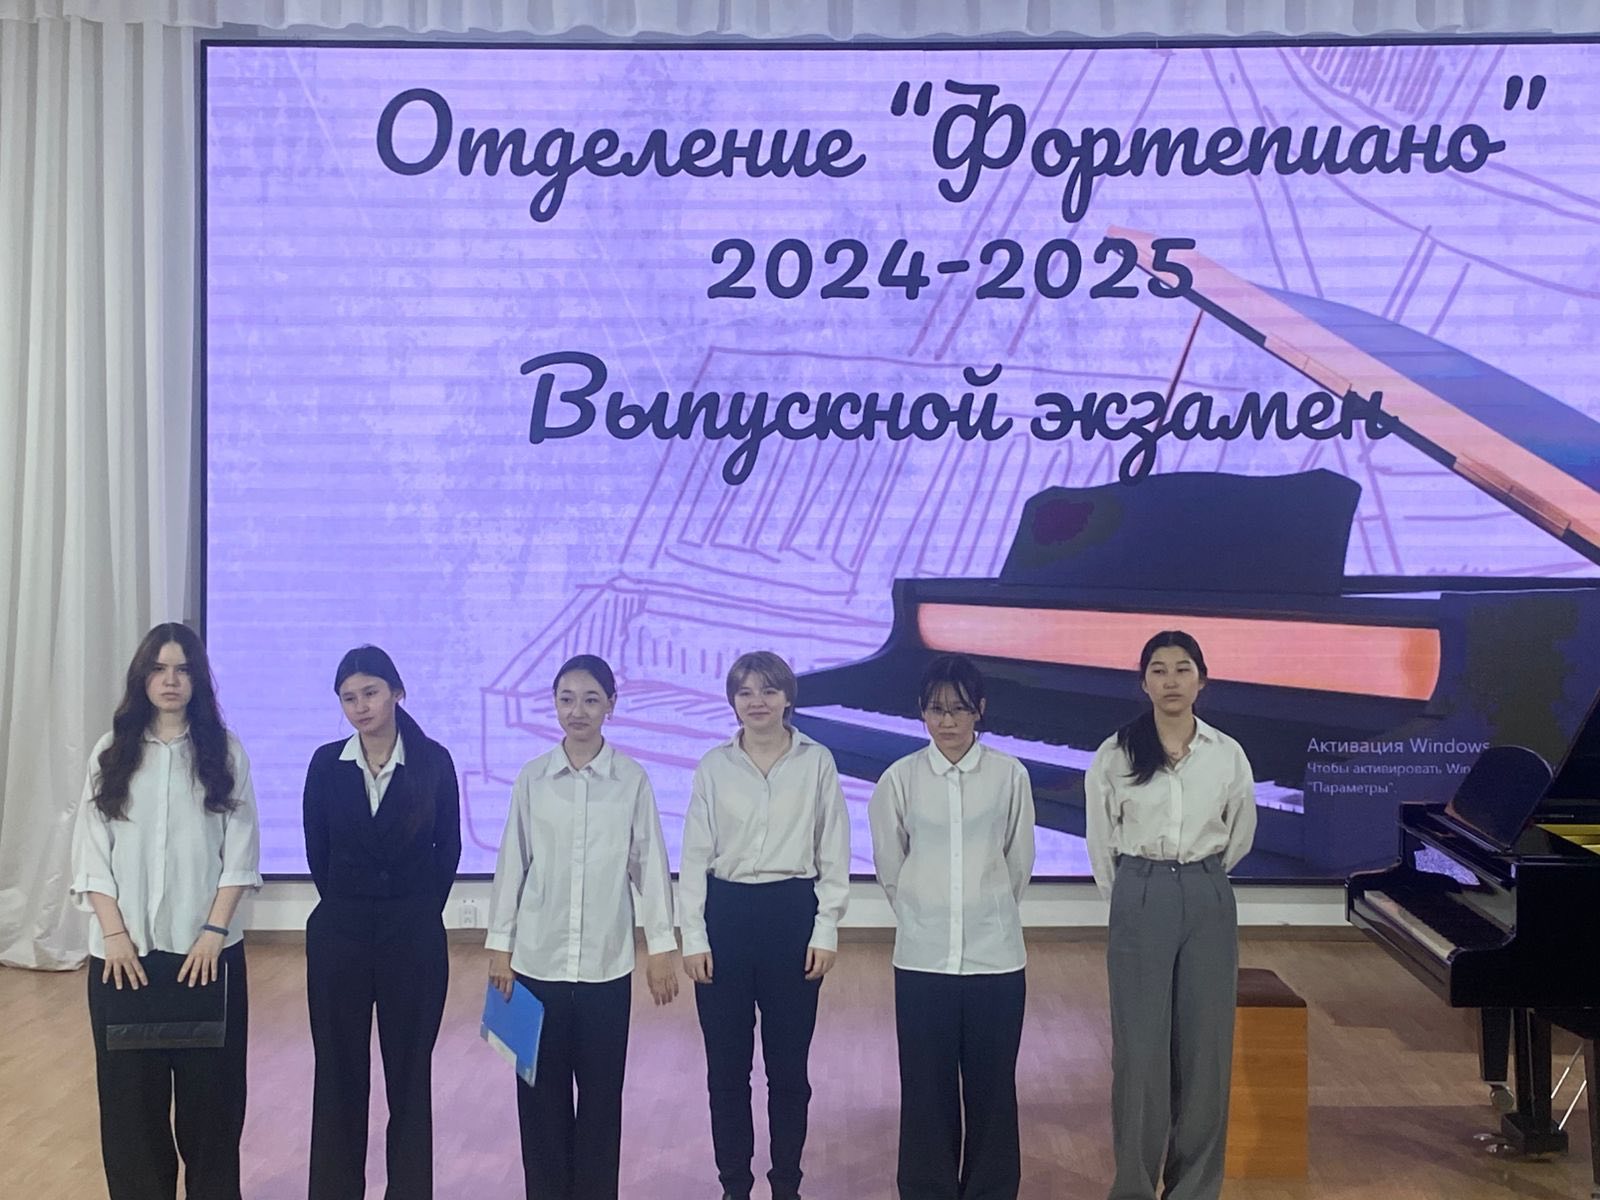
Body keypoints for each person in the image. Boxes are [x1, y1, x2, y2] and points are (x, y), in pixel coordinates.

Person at [69, 621, 262, 1200]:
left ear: (197, 678)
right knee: (131, 1118)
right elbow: (90, 854)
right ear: (142, 678)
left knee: (212, 1116)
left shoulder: (225, 752)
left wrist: (213, 931)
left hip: (207, 956)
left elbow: (240, 854)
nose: (170, 680)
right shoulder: (112, 752)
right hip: (123, 960)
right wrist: (115, 936)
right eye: (158, 669)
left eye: (182, 669)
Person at [485, 653, 680, 1200]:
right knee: (538, 1102)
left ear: (611, 706)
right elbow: (511, 865)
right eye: (567, 698)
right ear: (553, 704)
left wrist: (660, 947)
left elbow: (650, 866)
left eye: (591, 699)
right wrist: (500, 947)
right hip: (534, 965)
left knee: (600, 1103)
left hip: (605, 967)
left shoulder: (631, 780)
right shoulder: (533, 778)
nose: (578, 710)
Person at [1084, 631, 1258, 1200]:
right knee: (1139, 1051)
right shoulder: (1116, 753)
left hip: (1207, 891)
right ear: (1144, 683)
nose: (1171, 681)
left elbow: (1240, 832)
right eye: (1158, 670)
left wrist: (1201, 878)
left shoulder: (1226, 753)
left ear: (1202, 680)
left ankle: (1194, 1188)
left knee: (1207, 1050)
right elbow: (1101, 840)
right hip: (1141, 890)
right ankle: (1133, 1186)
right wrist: (1138, 893)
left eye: (1183, 669)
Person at [679, 650, 851, 1200]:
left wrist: (825, 928)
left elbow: (833, 849)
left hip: (791, 916)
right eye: (745, 691)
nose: (757, 701)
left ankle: (787, 1185)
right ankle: (734, 1185)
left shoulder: (817, 761)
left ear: (787, 697)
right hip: (725, 918)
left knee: (789, 1071)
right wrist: (693, 936)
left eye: (768, 690)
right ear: (732, 700)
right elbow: (695, 855)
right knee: (726, 1073)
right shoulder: (713, 766)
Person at [869, 653, 1035, 1200]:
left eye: (959, 708)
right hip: (923, 960)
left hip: (996, 959)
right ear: (921, 711)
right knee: (925, 1089)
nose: (947, 721)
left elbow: (1018, 861)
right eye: (936, 709)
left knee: (993, 1089)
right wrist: (926, 913)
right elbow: (891, 866)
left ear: (979, 710)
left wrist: (986, 909)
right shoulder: (899, 779)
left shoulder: (1009, 775)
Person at [302, 645, 462, 1200]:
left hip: (411, 937)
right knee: (338, 1074)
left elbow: (448, 850)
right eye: (348, 698)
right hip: (340, 937)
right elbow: (318, 853)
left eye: (370, 693)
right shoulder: (326, 764)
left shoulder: (433, 761)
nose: (361, 707)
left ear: (397, 692)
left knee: (409, 1076)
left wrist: (412, 911)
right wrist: (353, 907)